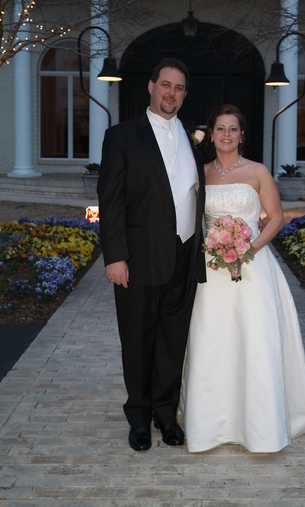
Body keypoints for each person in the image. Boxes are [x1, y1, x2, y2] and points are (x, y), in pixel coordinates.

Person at [180, 104, 305, 453]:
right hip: (212, 269)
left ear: (242, 135)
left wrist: (247, 249)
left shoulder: (258, 171)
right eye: (220, 128)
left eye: (233, 129)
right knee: (212, 340)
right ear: (211, 134)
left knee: (254, 339)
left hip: (252, 266)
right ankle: (211, 423)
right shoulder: (201, 172)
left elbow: (276, 217)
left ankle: (260, 424)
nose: (226, 134)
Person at [97, 57, 206, 452]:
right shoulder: (122, 136)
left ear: (184, 94)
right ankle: (139, 418)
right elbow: (110, 201)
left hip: (184, 254)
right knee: (138, 338)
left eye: (178, 88)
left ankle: (166, 414)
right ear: (151, 86)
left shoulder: (193, 138)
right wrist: (115, 256)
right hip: (138, 257)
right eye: (165, 85)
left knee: (173, 339)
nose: (171, 93)